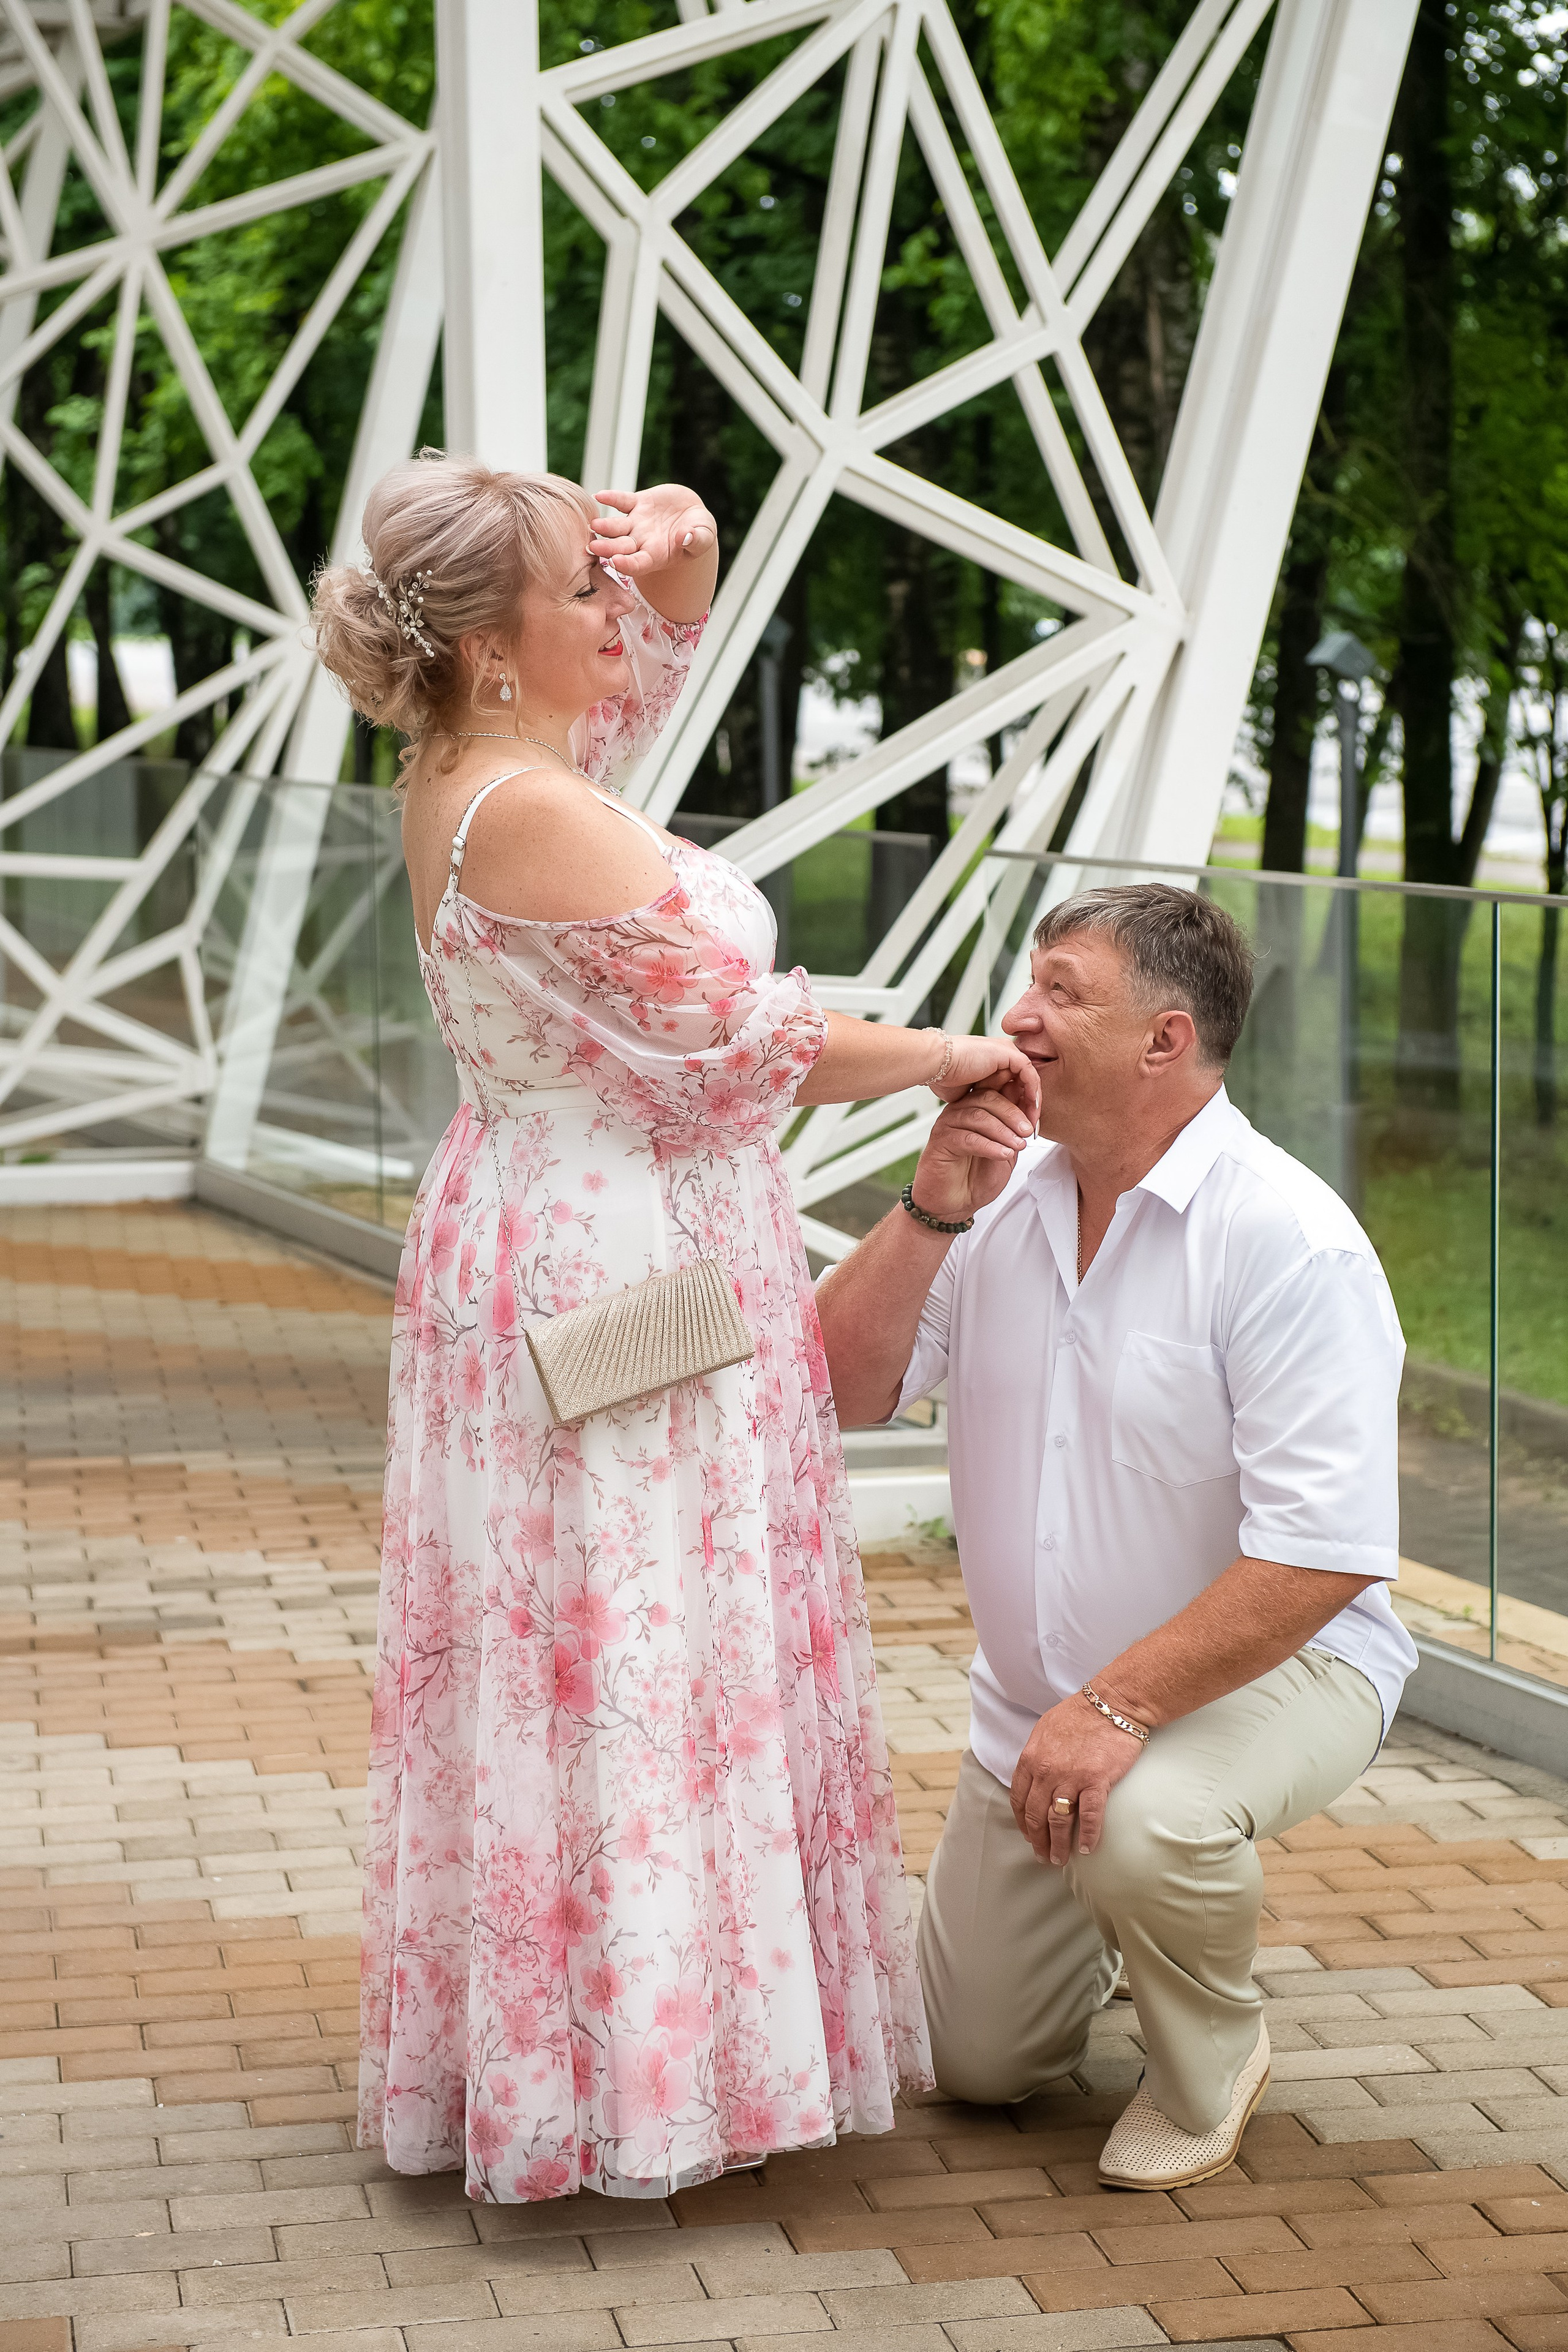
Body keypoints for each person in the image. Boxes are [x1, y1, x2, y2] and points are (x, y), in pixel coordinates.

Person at [309, 451, 1041, 2204]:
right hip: (606, 1253)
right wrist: (954, 1054)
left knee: (625, 1640)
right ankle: (632, 2079)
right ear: (494, 647)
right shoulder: (529, 808)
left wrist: (683, 549)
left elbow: (642, 672)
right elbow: (747, 1044)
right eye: (579, 590)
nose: (613, 617)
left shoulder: (501, 764)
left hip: (582, 1220)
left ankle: (628, 2053)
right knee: (626, 1649)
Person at [815, 883, 1416, 2192]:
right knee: (972, 2066)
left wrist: (1119, 1705)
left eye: (1061, 992)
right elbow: (839, 1389)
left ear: (1164, 1038)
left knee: (1148, 1830)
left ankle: (1209, 2054)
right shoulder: (999, 1200)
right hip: (1043, 1706)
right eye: (1025, 985)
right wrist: (929, 1204)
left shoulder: (1286, 1242)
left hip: (1280, 1670)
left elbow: (1323, 1553)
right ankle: (1110, 1908)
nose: (1017, 1020)